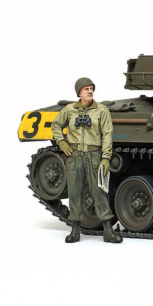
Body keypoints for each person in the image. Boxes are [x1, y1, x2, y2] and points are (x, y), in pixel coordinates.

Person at [51, 77, 123, 243]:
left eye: (91, 88)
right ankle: (75, 231)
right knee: (74, 193)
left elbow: (107, 134)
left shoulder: (101, 110)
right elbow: (56, 125)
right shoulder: (69, 110)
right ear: (79, 93)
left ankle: (108, 231)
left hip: (94, 156)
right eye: (86, 89)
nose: (90, 91)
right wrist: (61, 142)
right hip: (74, 156)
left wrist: (106, 158)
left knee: (99, 193)